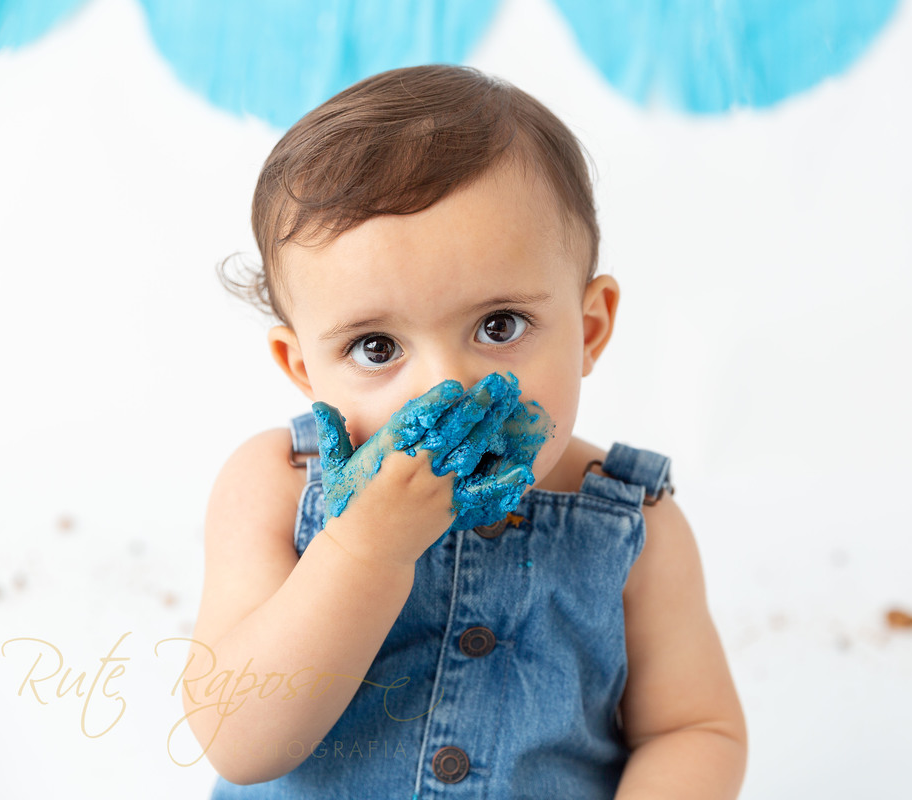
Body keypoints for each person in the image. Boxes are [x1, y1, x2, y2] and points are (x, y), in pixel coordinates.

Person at [183, 64, 747, 799]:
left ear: (588, 329)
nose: (447, 389)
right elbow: (240, 742)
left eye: (498, 325)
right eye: (377, 348)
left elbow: (693, 730)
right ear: (303, 368)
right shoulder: (277, 486)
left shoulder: (636, 528)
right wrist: (365, 548)